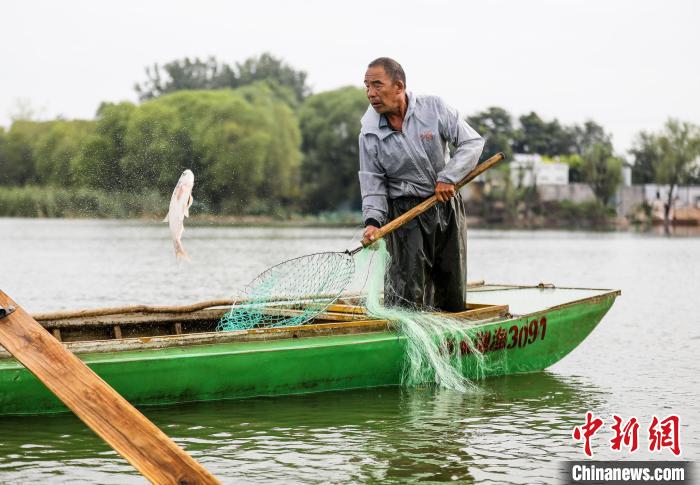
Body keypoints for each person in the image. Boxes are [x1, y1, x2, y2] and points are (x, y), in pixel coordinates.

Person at [358, 57, 484, 312]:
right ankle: (406, 340)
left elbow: (472, 143)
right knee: (406, 291)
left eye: (377, 85)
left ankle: (450, 340)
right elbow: (372, 183)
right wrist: (372, 222)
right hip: (405, 215)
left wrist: (448, 177)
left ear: (399, 86)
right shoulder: (369, 132)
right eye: (367, 86)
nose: (371, 93)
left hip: (445, 202)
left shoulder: (434, 109)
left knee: (451, 282)